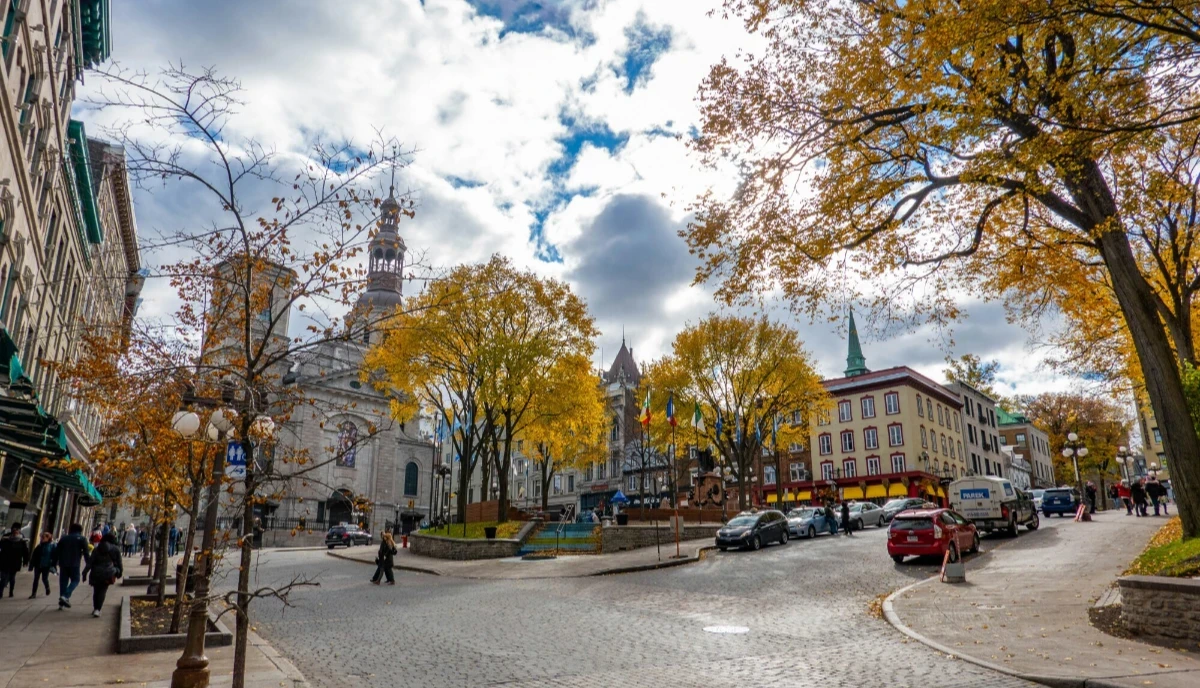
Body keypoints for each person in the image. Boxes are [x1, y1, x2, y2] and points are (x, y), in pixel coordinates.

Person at [82, 531, 122, 618]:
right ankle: (98, 609)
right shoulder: (116, 549)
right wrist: (119, 573)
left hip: (95, 573)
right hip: (108, 573)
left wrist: (84, 573)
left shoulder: (96, 549)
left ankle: (95, 608)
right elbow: (119, 563)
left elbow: (90, 562)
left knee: (96, 591)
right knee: (102, 591)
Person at [55, 523, 89, 609]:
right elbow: (86, 553)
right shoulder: (82, 539)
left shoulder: (64, 538)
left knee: (63, 582)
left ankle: (61, 604)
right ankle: (66, 596)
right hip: (75, 563)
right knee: (76, 580)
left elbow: (57, 551)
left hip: (63, 563)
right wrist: (88, 563)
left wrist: (54, 563)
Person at [0, 523, 30, 597]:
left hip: (15, 561)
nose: (15, 531)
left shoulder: (22, 539)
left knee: (12, 578)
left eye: (17, 529)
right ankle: (0, 593)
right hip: (5, 560)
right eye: (14, 529)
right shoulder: (6, 537)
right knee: (3, 578)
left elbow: (25, 551)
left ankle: (11, 592)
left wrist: (26, 561)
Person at [27, 532, 56, 599]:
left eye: (44, 537)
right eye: (41, 537)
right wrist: (31, 566)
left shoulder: (52, 546)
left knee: (44, 579)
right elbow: (34, 556)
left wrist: (53, 564)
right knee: (36, 579)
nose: (42, 538)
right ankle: (33, 594)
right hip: (38, 565)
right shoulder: (39, 546)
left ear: (48, 538)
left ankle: (47, 587)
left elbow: (54, 556)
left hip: (46, 565)